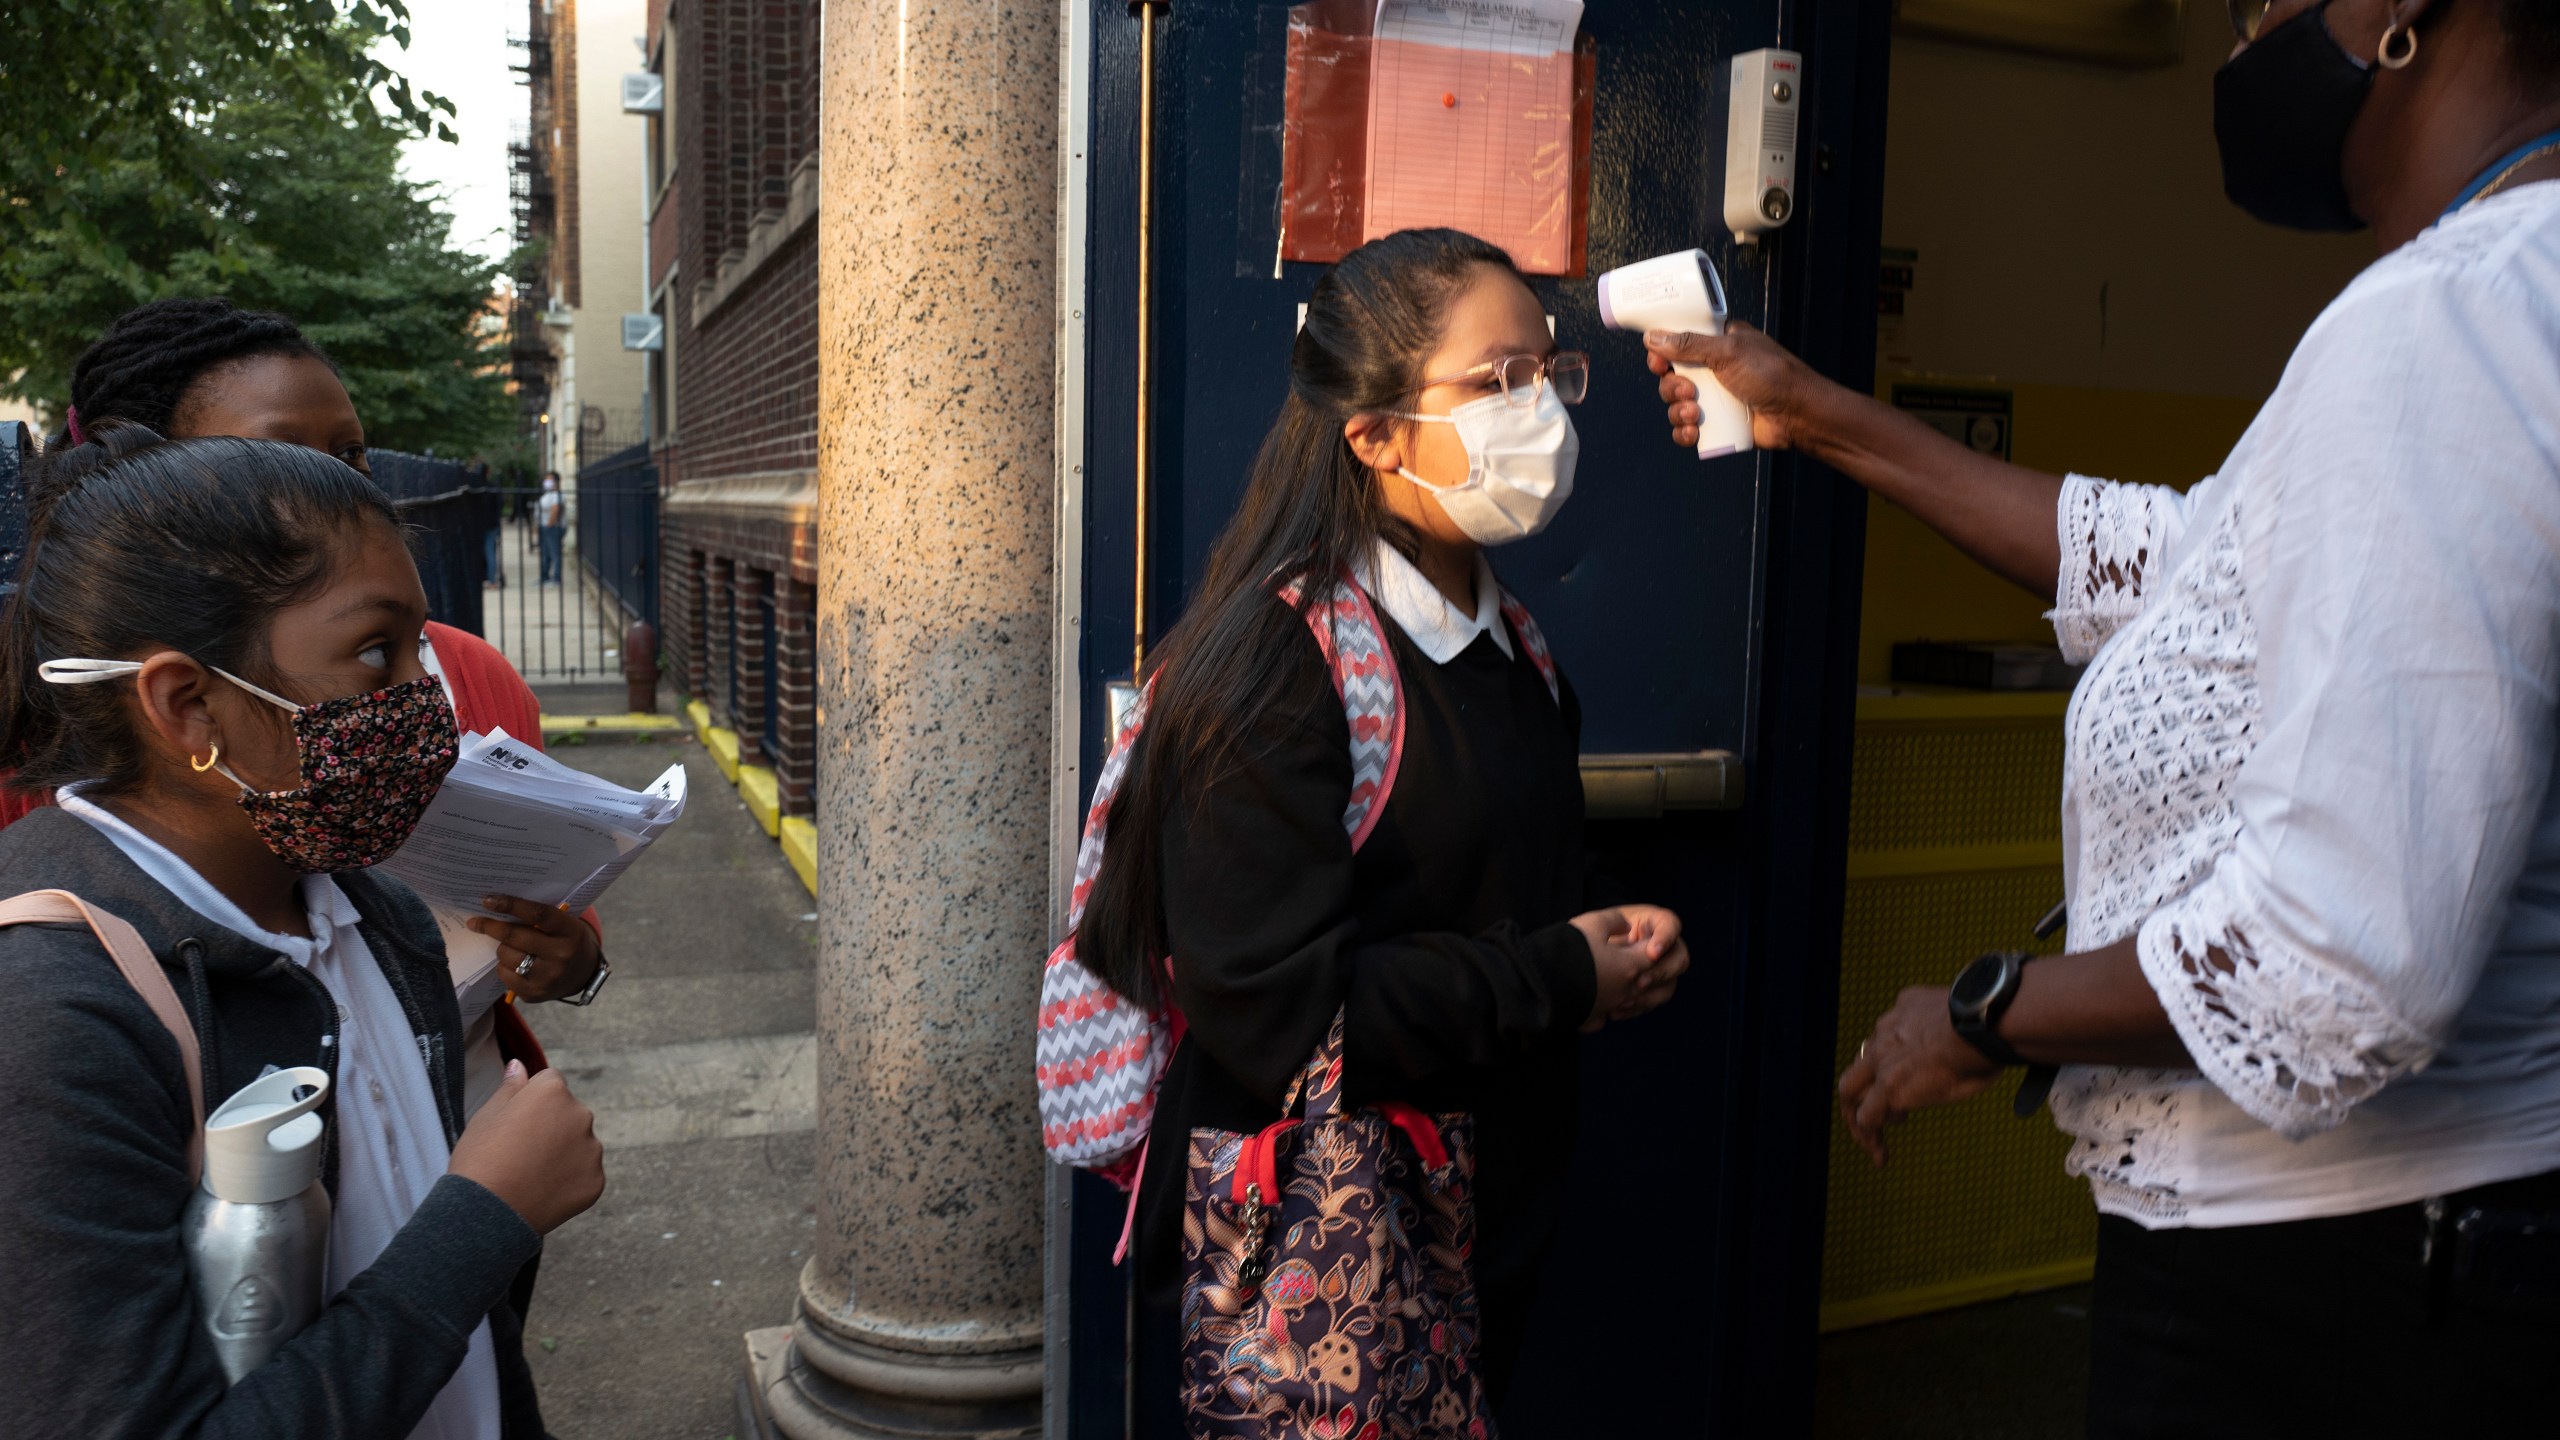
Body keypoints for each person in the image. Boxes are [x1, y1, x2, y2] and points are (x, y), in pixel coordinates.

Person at [1646, 0, 2560, 1431]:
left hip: (2344, 1284)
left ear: (2402, 14)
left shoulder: (2435, 327)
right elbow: (2178, 557)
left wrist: (1989, 1013)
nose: (2246, 35)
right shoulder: (2510, 294)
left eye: (2268, 2)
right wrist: (1807, 412)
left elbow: (2337, 964)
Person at [1076, 228, 1691, 1427]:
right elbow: (1272, 1008)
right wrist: (1561, 974)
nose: (1543, 413)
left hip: (1487, 1218)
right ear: (1371, 431)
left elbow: (1485, 883)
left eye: (1548, 373)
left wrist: (1606, 933)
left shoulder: (1516, 649)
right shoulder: (1271, 662)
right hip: (1330, 1241)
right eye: (1495, 379)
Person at [0, 424, 606, 1436]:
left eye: (420, 644)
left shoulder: (374, 909)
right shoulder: (56, 1020)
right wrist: (483, 1223)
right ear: (189, 705)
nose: (427, 698)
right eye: (376, 652)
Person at [47, 298, 611, 1109]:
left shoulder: (471, 678)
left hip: (470, 1115)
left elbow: (556, 898)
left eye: (351, 454)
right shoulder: (63, 742)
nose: (336, 489)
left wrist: (573, 958)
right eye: (276, 460)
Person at [534, 472, 566, 586]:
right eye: (546, 479)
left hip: (553, 527)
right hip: (545, 526)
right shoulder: (548, 494)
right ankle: (545, 576)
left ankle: (556, 578)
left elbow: (555, 509)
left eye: (550, 479)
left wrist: (549, 524)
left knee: (554, 552)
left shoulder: (557, 495)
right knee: (545, 553)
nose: (546, 482)